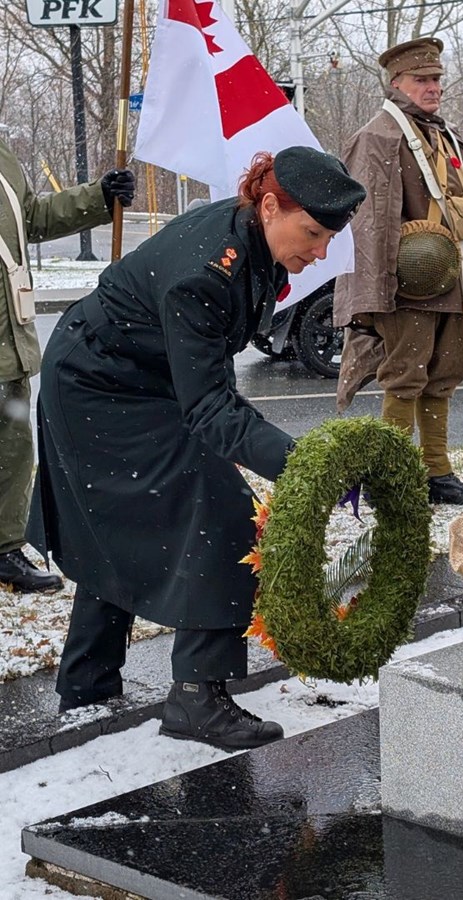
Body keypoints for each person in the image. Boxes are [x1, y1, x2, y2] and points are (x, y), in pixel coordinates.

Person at [33, 148, 364, 749]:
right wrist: (307, 467)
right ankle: (196, 697)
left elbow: (211, 382)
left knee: (124, 520)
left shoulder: (249, 238)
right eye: (312, 234)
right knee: (218, 505)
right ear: (269, 205)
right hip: (97, 385)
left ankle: (87, 681)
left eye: (327, 239)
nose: (319, 252)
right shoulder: (205, 273)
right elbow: (211, 409)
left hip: (134, 375)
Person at [334, 36, 463, 507]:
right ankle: (395, 478)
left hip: (449, 278)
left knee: (442, 376)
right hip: (406, 286)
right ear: (397, 83)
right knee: (405, 376)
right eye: (422, 80)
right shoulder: (379, 136)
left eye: (437, 79)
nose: (433, 87)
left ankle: (436, 472)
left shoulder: (438, 133)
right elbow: (367, 224)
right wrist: (379, 293)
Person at [0, 149, 131, 595]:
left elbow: (32, 216)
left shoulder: (3, 158)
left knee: (11, 448)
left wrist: (99, 197)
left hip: (6, 338)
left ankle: (4, 548)